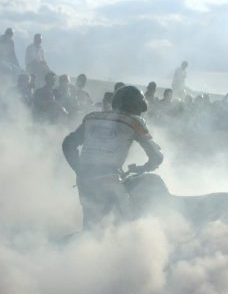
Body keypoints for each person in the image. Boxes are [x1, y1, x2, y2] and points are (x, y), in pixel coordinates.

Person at [62, 85, 164, 229]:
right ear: (134, 106)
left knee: (90, 225)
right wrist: (144, 167)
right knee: (127, 223)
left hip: (84, 180)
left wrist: (79, 170)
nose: (141, 113)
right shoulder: (134, 122)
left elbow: (68, 143)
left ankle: (84, 245)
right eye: (139, 109)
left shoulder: (92, 117)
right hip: (110, 180)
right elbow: (157, 156)